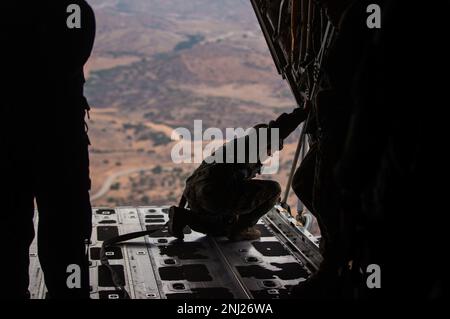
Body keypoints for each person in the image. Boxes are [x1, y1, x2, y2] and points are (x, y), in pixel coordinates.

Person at [0, 1, 95, 299]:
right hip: (59, 141)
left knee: (9, 234)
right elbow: (74, 54)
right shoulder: (72, 10)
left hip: (12, 140)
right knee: (65, 235)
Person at [168, 108, 308, 241]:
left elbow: (195, 180)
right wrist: (302, 112)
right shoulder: (253, 144)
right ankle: (242, 230)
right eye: (273, 149)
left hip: (195, 195)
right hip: (212, 196)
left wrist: (181, 208)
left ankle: (183, 216)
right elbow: (279, 129)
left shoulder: (234, 148)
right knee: (274, 190)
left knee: (220, 229)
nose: (271, 154)